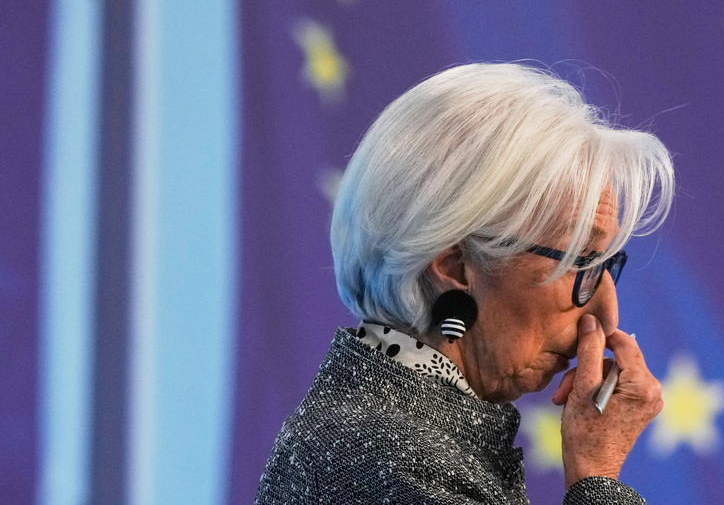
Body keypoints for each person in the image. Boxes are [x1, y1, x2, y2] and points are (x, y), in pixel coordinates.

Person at [255, 63, 674, 504]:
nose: (608, 313)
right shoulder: (386, 456)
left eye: (607, 264)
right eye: (578, 261)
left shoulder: (401, 437)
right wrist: (596, 474)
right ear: (455, 267)